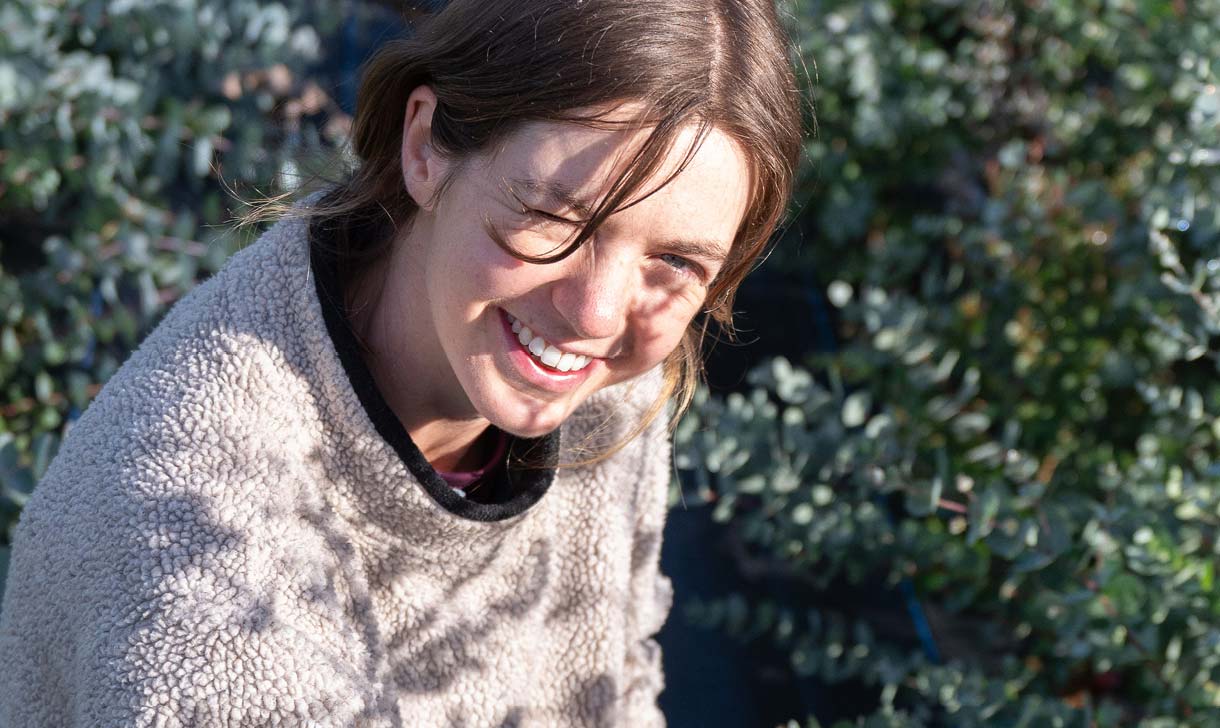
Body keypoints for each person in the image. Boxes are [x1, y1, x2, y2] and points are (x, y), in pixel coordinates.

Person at [0, 0, 801, 725]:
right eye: (557, 217)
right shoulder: (199, 546)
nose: (595, 313)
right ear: (426, 148)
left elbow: (616, 687)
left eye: (677, 262)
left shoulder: (604, 385)